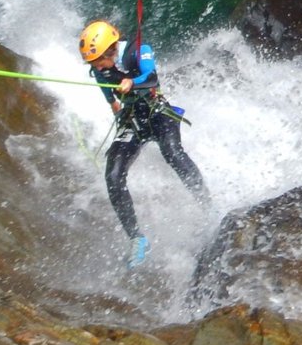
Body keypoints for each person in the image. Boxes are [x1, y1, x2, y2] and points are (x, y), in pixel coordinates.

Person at [79, 19, 211, 268]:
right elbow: (109, 94)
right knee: (113, 175)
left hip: (157, 112)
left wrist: (133, 82)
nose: (96, 67)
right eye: (92, 63)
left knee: (173, 153)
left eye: (98, 61)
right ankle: (137, 239)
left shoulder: (138, 49)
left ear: (111, 49)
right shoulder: (98, 68)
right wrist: (116, 109)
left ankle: (209, 208)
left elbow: (151, 76)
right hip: (132, 121)